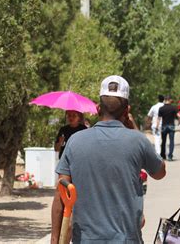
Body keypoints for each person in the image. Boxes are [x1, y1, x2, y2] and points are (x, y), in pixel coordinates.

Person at [51, 75, 166, 243]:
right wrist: (133, 128)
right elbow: (160, 172)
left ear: (97, 108)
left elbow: (61, 193)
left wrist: (55, 240)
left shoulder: (75, 141)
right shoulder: (138, 141)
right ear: (127, 111)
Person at [157, 95, 180, 161]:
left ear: (165, 100)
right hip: (171, 126)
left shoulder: (161, 108)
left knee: (163, 141)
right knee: (171, 141)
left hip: (164, 126)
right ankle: (170, 156)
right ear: (170, 100)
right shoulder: (174, 108)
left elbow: (158, 119)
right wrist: (179, 122)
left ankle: (163, 155)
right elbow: (179, 116)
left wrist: (157, 126)